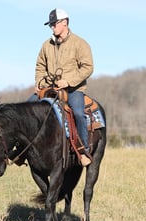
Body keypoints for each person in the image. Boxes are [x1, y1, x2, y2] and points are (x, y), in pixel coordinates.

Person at [29, 8, 94, 167]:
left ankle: (82, 150)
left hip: (73, 90)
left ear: (64, 22)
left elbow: (88, 67)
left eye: (54, 24)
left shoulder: (80, 43)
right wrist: (39, 83)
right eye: (50, 25)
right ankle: (25, 149)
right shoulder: (46, 45)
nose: (52, 27)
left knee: (78, 113)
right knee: (28, 108)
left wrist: (68, 81)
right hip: (49, 89)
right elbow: (40, 66)